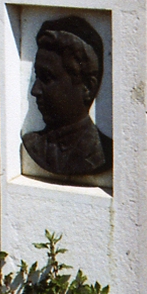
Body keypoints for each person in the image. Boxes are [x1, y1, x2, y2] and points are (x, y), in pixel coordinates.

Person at [22, 16, 112, 179]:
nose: (35, 91)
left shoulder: (103, 153)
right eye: (37, 77)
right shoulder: (33, 145)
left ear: (87, 87)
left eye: (47, 78)